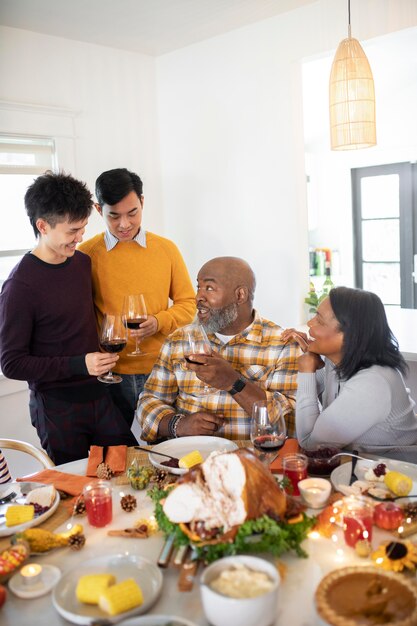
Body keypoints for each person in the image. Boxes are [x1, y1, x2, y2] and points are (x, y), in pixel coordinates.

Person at [0, 171, 138, 464]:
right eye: (73, 231)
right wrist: (80, 364)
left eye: (84, 227)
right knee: (75, 492)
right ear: (43, 226)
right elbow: (11, 363)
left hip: (100, 395)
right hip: (56, 408)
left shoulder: (81, 263)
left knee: (133, 466)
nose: (80, 237)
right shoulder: (19, 287)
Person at [78, 168, 195, 428]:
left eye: (132, 213)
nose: (124, 224)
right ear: (99, 210)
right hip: (110, 374)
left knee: (167, 448)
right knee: (114, 451)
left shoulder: (166, 249)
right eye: (114, 216)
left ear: (142, 202)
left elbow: (188, 303)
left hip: (162, 370)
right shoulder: (86, 255)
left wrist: (159, 320)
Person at [138, 256, 299, 441]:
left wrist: (233, 382)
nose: (198, 297)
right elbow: (147, 402)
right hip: (189, 460)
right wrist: (178, 424)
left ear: (240, 295)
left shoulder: (283, 344)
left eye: (209, 288)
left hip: (251, 461)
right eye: (198, 287)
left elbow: (290, 423)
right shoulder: (178, 340)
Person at [283, 286, 417, 461]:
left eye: (319, 320)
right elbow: (302, 396)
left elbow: (310, 444)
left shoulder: (372, 383)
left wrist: (306, 370)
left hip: (399, 475)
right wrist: (310, 355)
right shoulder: (338, 359)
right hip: (360, 465)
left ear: (349, 336)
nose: (309, 324)